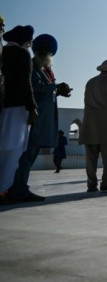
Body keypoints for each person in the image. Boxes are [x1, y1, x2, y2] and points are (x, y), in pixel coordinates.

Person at [7, 34, 72, 202]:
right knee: (26, 156)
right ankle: (18, 190)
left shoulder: (45, 69)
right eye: (42, 50)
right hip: (33, 119)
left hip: (41, 120)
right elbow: (32, 87)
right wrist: (56, 87)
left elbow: (45, 91)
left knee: (30, 156)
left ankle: (20, 187)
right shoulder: (32, 65)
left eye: (47, 51)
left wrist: (58, 91)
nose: (44, 53)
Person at [0, 25, 36, 197]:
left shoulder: (3, 51)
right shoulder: (22, 54)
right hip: (17, 107)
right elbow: (25, 83)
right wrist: (32, 107)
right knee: (13, 148)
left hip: (4, 105)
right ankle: (3, 189)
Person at [78, 58, 107, 192]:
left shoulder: (90, 82)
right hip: (106, 124)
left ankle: (91, 184)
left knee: (91, 157)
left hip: (90, 123)